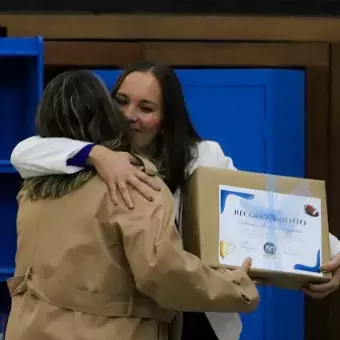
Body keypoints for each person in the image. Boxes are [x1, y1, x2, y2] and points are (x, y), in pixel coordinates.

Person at [10, 61, 340, 338]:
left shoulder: (202, 157)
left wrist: (329, 253)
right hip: (131, 319)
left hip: (196, 313)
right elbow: (23, 152)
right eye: (121, 101)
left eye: (146, 107)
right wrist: (97, 154)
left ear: (167, 118)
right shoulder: (88, 159)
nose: (129, 115)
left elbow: (255, 214)